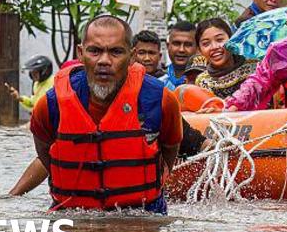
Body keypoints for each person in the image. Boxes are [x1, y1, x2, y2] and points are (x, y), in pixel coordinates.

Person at [28, 15, 183, 213]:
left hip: (143, 214)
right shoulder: (50, 105)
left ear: (132, 56)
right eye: (95, 51)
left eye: (116, 52)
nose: (104, 61)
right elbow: (45, 152)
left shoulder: (161, 100)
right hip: (72, 214)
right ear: (80, 53)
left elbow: (170, 148)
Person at [186, 18, 259, 101]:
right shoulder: (203, 81)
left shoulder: (255, 68)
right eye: (206, 44)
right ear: (199, 50)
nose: (214, 47)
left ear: (231, 40)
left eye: (219, 40)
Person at [165, 20, 197, 89]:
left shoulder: (205, 83)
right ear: (168, 46)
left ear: (197, 48)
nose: (181, 50)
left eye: (188, 45)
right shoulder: (159, 82)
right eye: (176, 43)